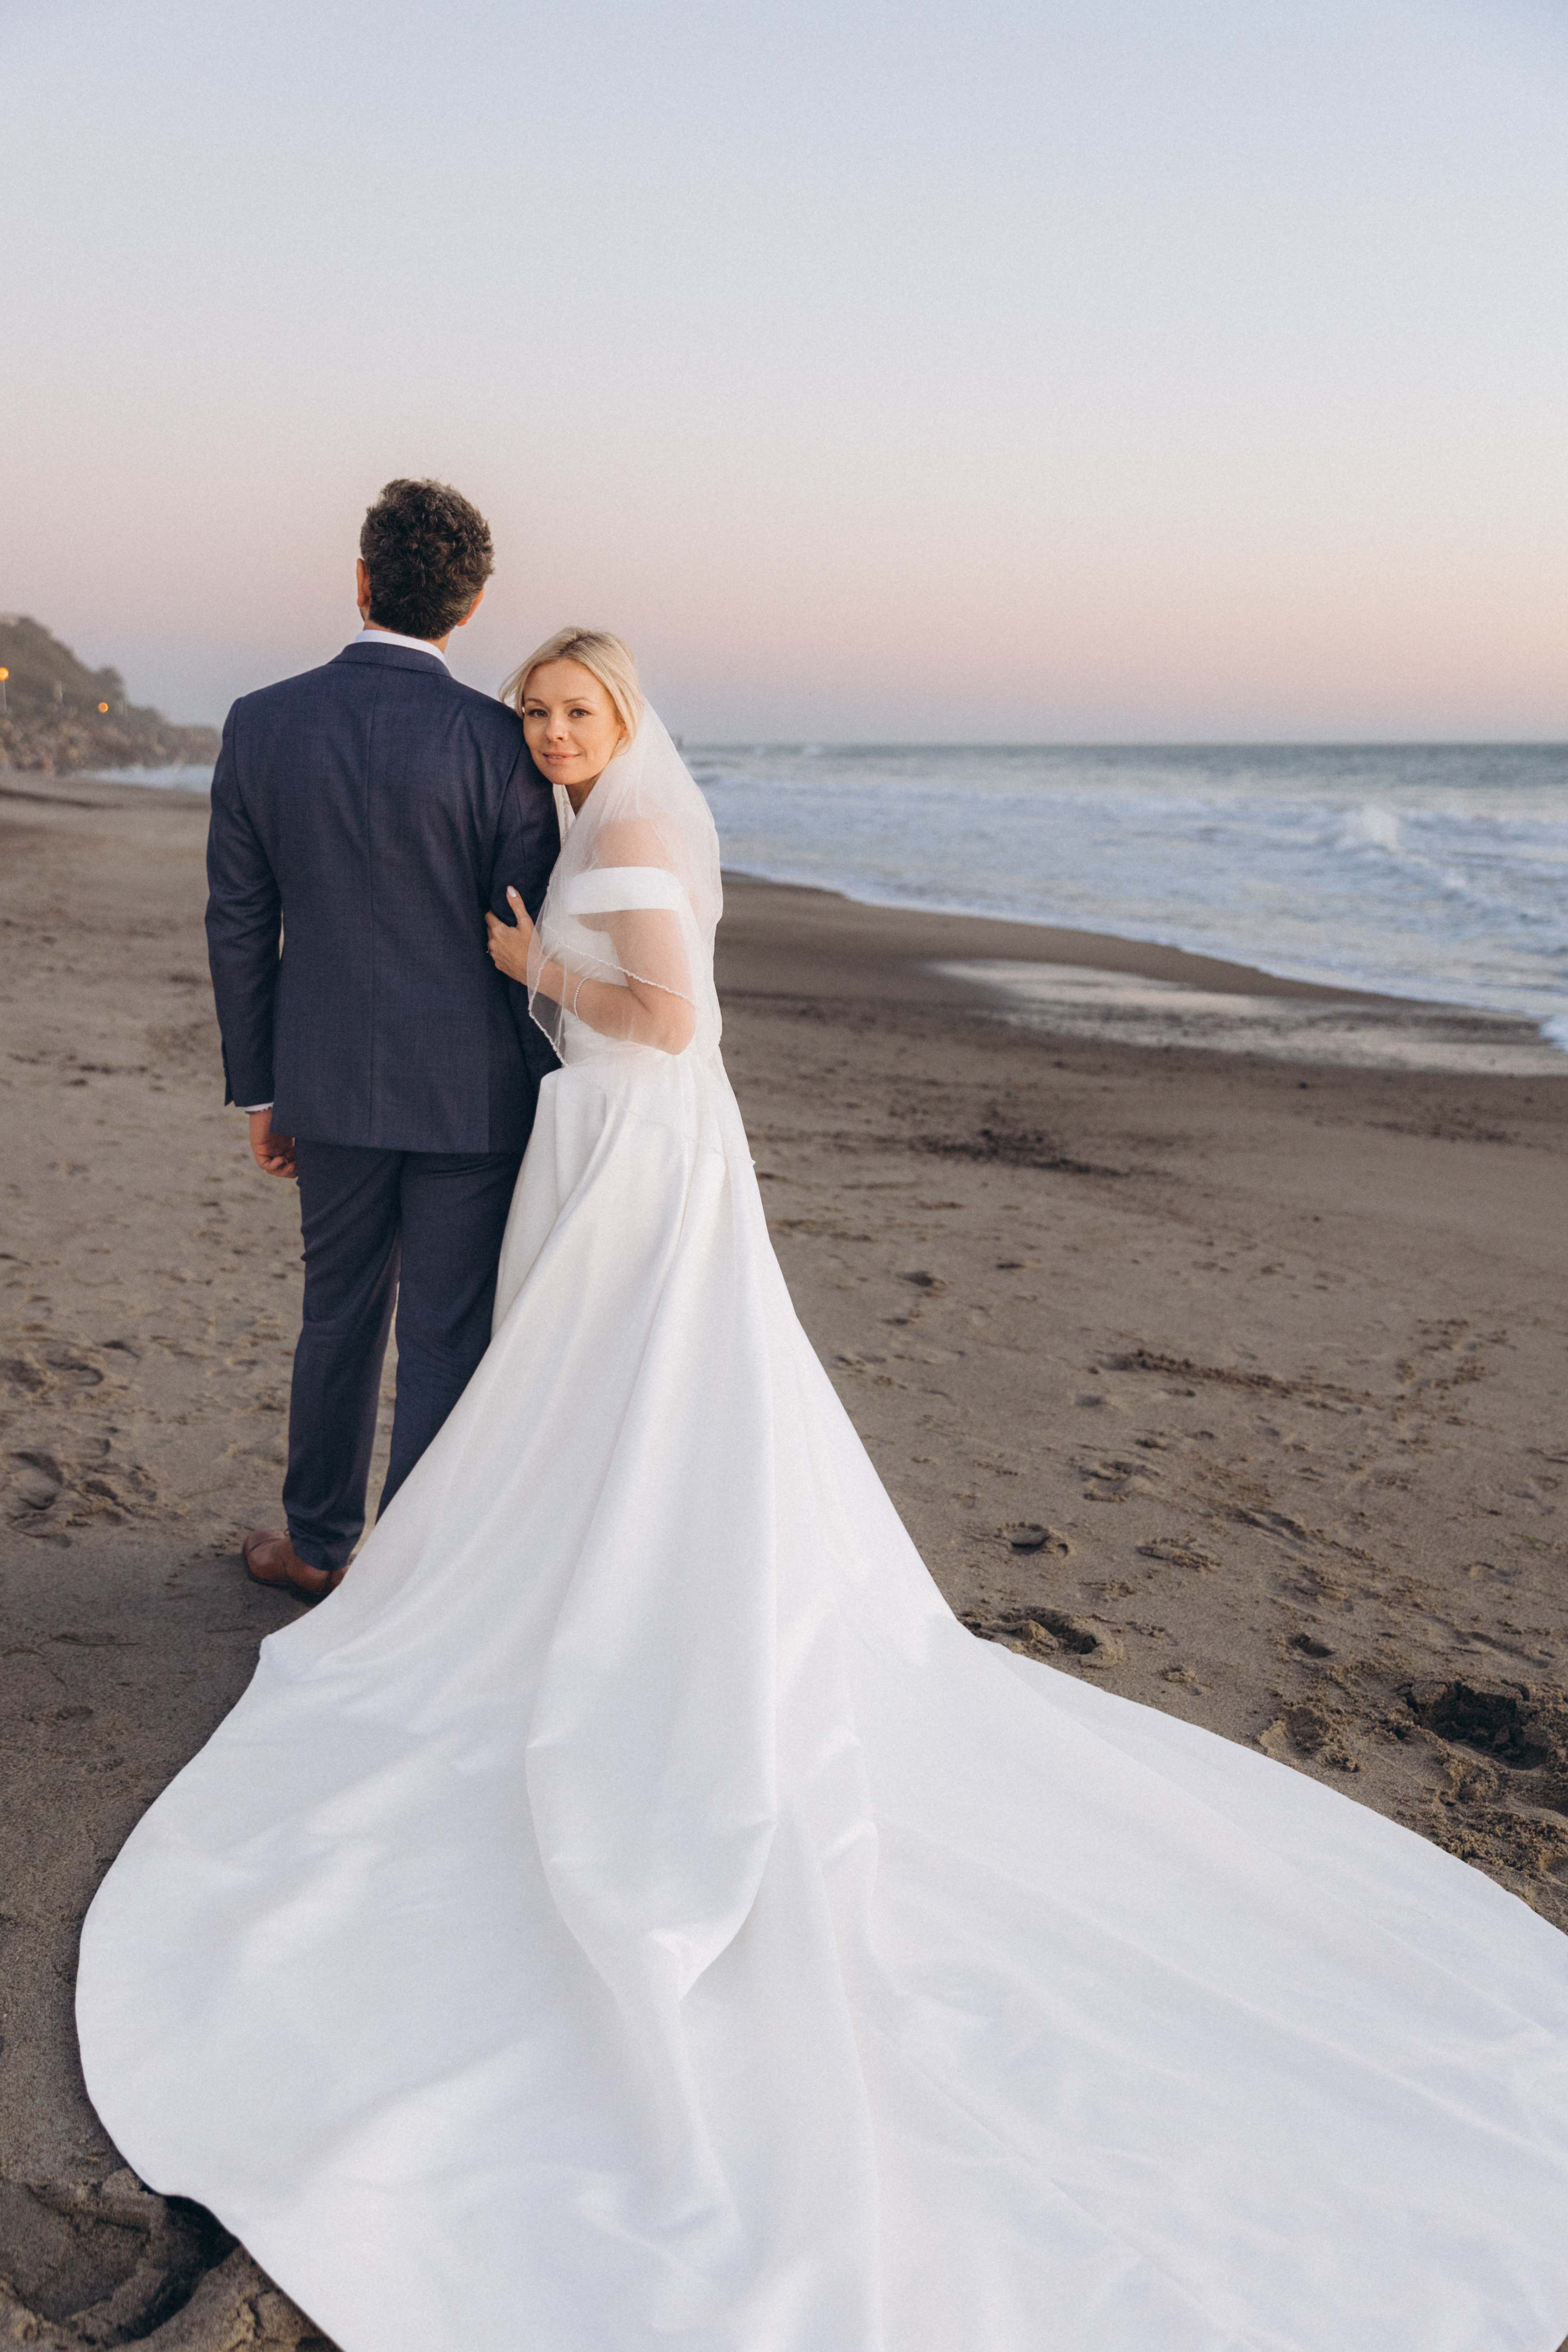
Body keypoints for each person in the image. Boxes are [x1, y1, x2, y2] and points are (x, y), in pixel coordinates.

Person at [80, 635, 1568, 2352]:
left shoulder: (633, 831)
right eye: (539, 711)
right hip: (595, 1141)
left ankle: (560, 1586)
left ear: (623, 717)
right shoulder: (583, 817)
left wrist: (532, 967)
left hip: (636, 1146)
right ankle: (520, 1570)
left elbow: (674, 1017)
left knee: (622, 1390)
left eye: (575, 710)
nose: (551, 731)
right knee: (570, 1394)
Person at [203, 479, 558, 1601]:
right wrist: (548, 1095)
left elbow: (240, 921)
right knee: (446, 1332)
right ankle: (409, 1578)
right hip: (474, 1092)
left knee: (338, 1312)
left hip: (326, 1081)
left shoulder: (263, 722)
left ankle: (317, 1547)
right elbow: (524, 931)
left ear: (360, 580)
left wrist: (262, 1090)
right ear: (472, 605)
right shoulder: (501, 741)